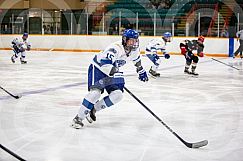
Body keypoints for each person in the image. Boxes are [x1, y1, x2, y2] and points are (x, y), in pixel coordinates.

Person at [71, 29, 149, 129]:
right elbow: (104, 63)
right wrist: (115, 72)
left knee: (118, 95)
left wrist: (140, 70)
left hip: (111, 71)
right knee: (95, 93)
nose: (134, 43)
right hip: (98, 69)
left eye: (136, 40)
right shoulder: (115, 48)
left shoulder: (134, 50)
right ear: (125, 40)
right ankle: (78, 118)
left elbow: (136, 59)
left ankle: (93, 109)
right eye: (131, 41)